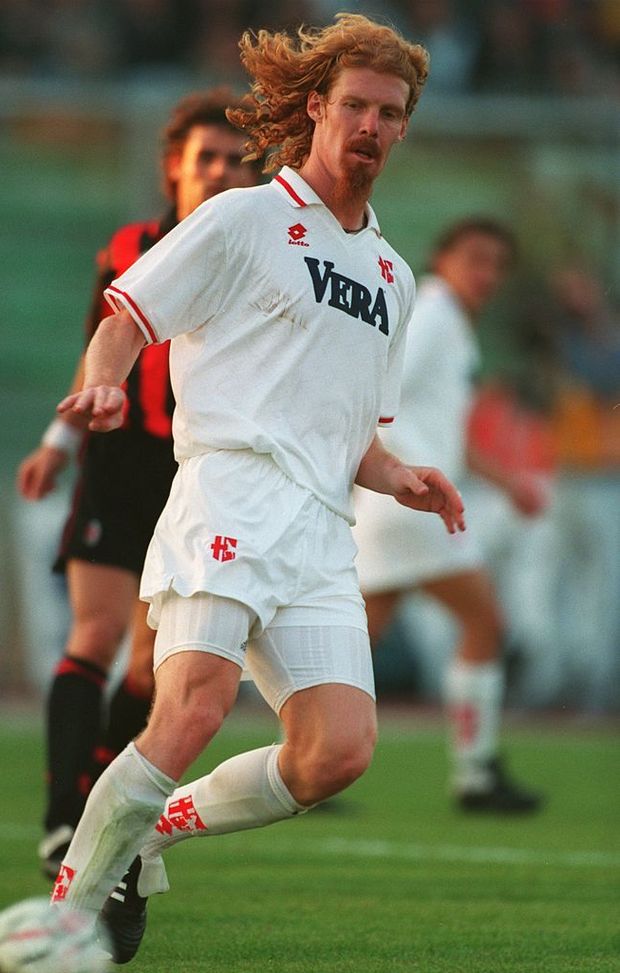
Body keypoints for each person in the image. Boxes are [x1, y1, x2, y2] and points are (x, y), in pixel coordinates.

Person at [49, 13, 465, 963]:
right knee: (191, 707)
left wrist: (401, 476)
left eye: (388, 112)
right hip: (231, 493)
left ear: (403, 128)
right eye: (353, 105)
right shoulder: (241, 217)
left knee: (336, 755)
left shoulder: (394, 276)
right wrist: (107, 374)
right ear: (315, 109)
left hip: (321, 528)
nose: (368, 124)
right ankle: (63, 921)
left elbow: (356, 431)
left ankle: (144, 831)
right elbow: (127, 313)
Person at [16, 88, 261, 879]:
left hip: (194, 474)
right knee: (93, 632)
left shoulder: (255, 255)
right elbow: (100, 338)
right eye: (207, 159)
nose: (221, 172)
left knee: (148, 663)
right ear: (173, 168)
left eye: (236, 160)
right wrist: (60, 436)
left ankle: (97, 795)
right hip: (119, 460)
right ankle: (61, 819)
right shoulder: (130, 244)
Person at [353, 217, 548, 812]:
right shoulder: (435, 315)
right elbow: (371, 391)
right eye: (475, 259)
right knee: (487, 624)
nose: (485, 273)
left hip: (398, 504)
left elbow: (446, 435)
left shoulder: (450, 323)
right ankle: (475, 773)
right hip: (417, 503)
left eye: (496, 263)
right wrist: (400, 472)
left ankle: (304, 758)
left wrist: (505, 480)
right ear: (443, 258)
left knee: (353, 643)